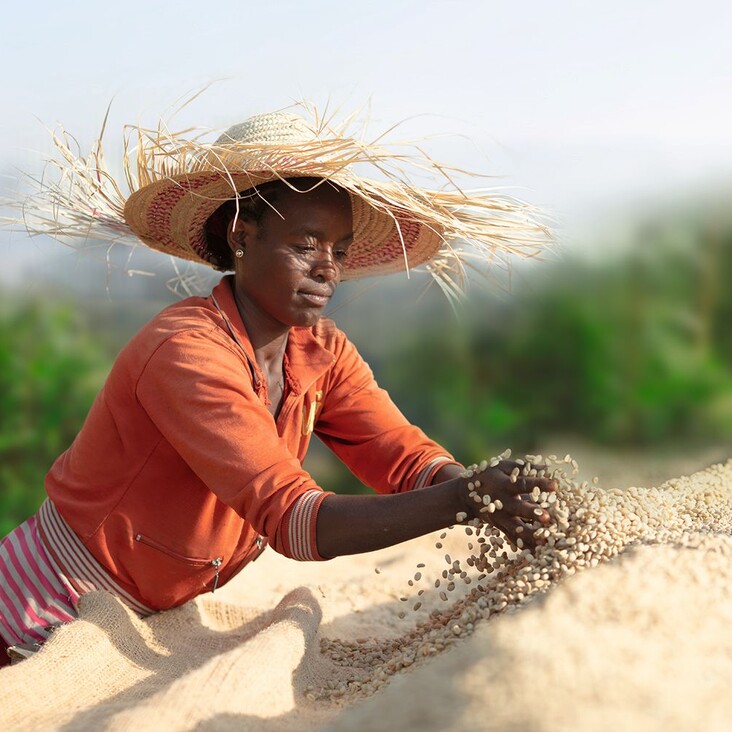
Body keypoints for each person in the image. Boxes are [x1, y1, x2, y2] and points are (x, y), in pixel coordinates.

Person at [0, 106, 554, 668]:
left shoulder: (321, 351)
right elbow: (295, 520)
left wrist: (481, 490)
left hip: (147, 610)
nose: (327, 268)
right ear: (243, 237)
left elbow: (402, 456)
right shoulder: (187, 351)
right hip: (48, 603)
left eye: (338, 250)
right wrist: (466, 499)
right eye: (305, 243)